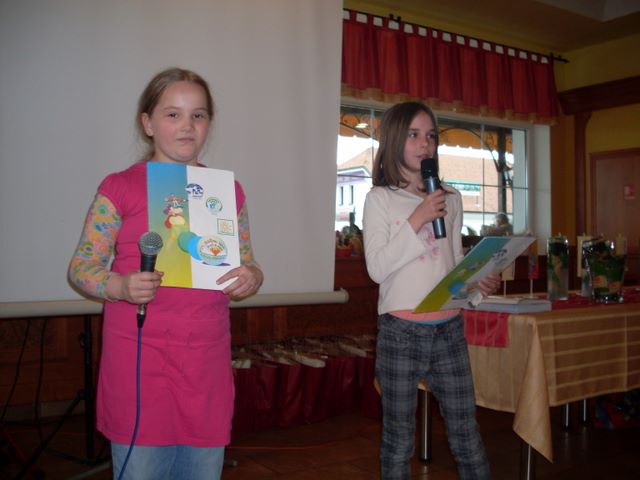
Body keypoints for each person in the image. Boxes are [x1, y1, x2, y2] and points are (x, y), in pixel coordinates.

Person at [68, 68, 263, 480]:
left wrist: (251, 277)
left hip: (205, 361)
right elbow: (82, 268)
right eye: (173, 114)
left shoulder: (227, 192)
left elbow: (246, 263)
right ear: (148, 123)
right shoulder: (119, 187)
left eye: (198, 115)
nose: (187, 125)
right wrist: (119, 285)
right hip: (139, 362)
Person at [362, 102, 500, 479]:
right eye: (414, 135)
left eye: (431, 136)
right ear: (394, 139)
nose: (425, 144)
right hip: (401, 332)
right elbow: (377, 268)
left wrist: (478, 285)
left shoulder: (450, 197)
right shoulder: (380, 199)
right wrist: (418, 218)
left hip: (449, 329)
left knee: (465, 431)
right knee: (398, 438)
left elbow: (454, 265)